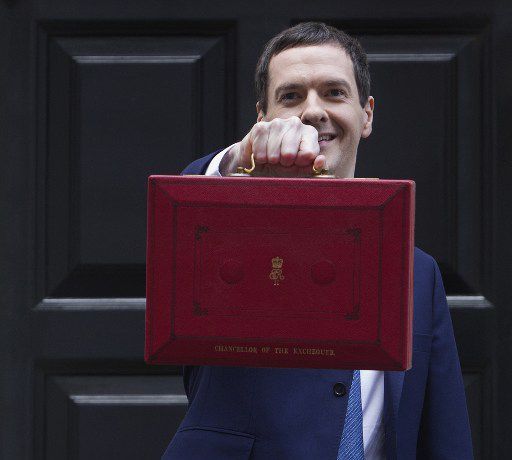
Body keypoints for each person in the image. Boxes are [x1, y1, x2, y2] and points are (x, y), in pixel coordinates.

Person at [162, 22, 473, 459]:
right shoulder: (223, 233)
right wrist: (239, 159)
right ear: (262, 119)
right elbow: (181, 205)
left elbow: (443, 433)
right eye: (290, 96)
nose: (312, 111)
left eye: (333, 92)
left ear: (366, 115)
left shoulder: (418, 270)